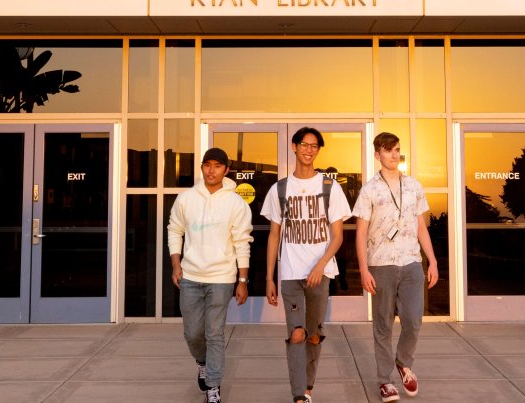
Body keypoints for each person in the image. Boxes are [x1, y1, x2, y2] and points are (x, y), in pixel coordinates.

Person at [261, 127, 352, 403]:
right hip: (290, 273)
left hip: (320, 274)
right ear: (294, 146)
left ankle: (309, 386)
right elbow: (274, 235)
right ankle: (299, 394)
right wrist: (269, 278)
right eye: (304, 144)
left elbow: (338, 236)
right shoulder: (279, 189)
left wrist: (320, 265)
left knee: (313, 334)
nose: (309, 150)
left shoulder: (329, 187)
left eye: (314, 146)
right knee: (297, 333)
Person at [354, 132, 438, 402]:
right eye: (388, 150)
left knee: (413, 321)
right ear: (377, 155)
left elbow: (421, 227)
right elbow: (360, 233)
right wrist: (364, 269)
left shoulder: (414, 186)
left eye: (397, 150)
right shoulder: (369, 190)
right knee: (383, 326)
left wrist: (433, 260)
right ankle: (385, 380)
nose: (393, 154)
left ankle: (403, 362)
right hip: (381, 265)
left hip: (411, 262)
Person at [169, 147, 254, 403]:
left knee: (214, 333)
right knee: (193, 333)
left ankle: (213, 387)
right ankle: (203, 361)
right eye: (208, 165)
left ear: (226, 170)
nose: (212, 170)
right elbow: (175, 230)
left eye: (218, 165)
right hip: (191, 276)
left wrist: (242, 280)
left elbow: (242, 242)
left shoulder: (236, 202)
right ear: (202, 167)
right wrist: (176, 265)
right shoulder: (186, 199)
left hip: (222, 278)